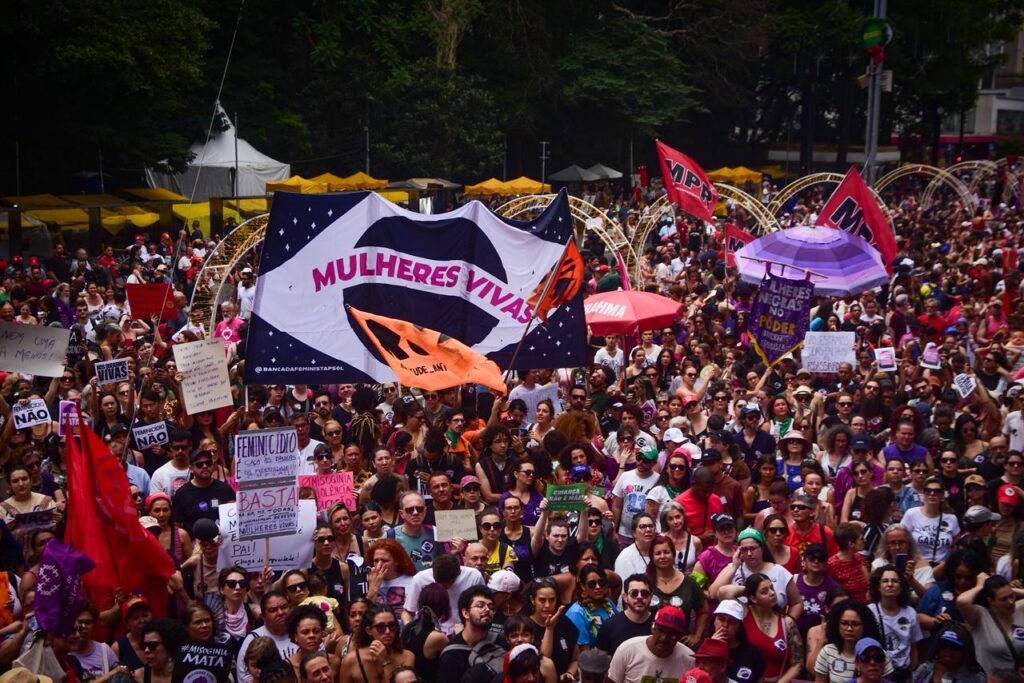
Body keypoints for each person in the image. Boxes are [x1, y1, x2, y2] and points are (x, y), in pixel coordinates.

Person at [955, 572, 1024, 674]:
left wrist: (1010, 589)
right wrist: (980, 586)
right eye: (1003, 599)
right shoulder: (981, 616)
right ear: (991, 601)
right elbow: (962, 601)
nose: (1010, 602)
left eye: (1011, 596)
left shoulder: (1020, 609)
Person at [606, 605, 696, 683]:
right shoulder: (627, 650)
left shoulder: (689, 660)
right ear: (653, 628)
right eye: (661, 630)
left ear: (680, 636)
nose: (664, 638)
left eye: (672, 634)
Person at [742, 573, 805, 683]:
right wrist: (744, 589)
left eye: (771, 588)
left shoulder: (787, 622)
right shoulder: (743, 613)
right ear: (753, 598)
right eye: (764, 591)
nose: (772, 593)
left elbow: (798, 663)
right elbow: (722, 593)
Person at [401, 552, 483, 634]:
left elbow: (482, 609)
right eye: (439, 582)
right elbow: (408, 612)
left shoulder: (473, 576)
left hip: (463, 631)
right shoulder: (420, 579)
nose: (443, 586)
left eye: (447, 583)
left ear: (458, 574)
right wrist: (410, 629)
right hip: (429, 633)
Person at [436, 586, 506, 682]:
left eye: (491, 607)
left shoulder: (500, 642)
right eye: (480, 605)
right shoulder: (452, 655)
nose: (487, 609)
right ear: (465, 613)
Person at [646, 535, 706, 645]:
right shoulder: (645, 582)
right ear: (652, 557)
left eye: (667, 552)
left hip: (680, 645)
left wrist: (696, 636)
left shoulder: (689, 583)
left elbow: (703, 611)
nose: (662, 556)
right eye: (658, 553)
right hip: (649, 644)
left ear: (673, 554)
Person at [812, 599, 891, 683]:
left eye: (855, 624)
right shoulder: (828, 651)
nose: (849, 629)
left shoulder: (878, 656)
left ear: (865, 625)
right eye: (844, 623)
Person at [867, 565, 924, 682]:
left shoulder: (910, 613)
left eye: (894, 581)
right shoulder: (870, 611)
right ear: (878, 586)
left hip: (903, 674)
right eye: (885, 581)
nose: (890, 584)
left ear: (901, 587)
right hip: (878, 673)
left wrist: (911, 673)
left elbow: (914, 647)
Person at [338, 604, 414, 683]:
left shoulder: (407, 657)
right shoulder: (351, 660)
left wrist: (385, 661)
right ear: (369, 630)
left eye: (391, 625)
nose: (388, 631)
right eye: (381, 627)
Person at [237, 591, 299, 683]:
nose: (280, 612)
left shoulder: (303, 633)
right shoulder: (252, 639)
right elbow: (244, 677)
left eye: (284, 607)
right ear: (263, 616)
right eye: (273, 610)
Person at [709, 599, 766, 683]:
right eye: (721, 619)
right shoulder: (699, 648)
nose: (725, 625)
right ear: (714, 621)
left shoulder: (753, 654)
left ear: (739, 628)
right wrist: (711, 647)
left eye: (731, 622)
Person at [596, 573, 654, 653]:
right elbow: (601, 661)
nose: (639, 597)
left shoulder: (658, 625)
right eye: (634, 593)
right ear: (625, 597)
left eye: (644, 593)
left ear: (650, 597)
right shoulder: (609, 626)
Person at [565, 563, 618, 650]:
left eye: (601, 583)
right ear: (582, 586)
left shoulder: (609, 603)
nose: (598, 587)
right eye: (592, 584)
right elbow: (584, 654)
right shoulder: (576, 613)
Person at [911, 625, 985, 683]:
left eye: (954, 646)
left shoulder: (975, 678)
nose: (948, 650)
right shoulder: (924, 669)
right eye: (943, 644)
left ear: (964, 650)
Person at [133, 618, 187, 683]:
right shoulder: (139, 676)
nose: (146, 650)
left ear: (169, 645)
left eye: (152, 645)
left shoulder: (185, 674)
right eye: (144, 645)